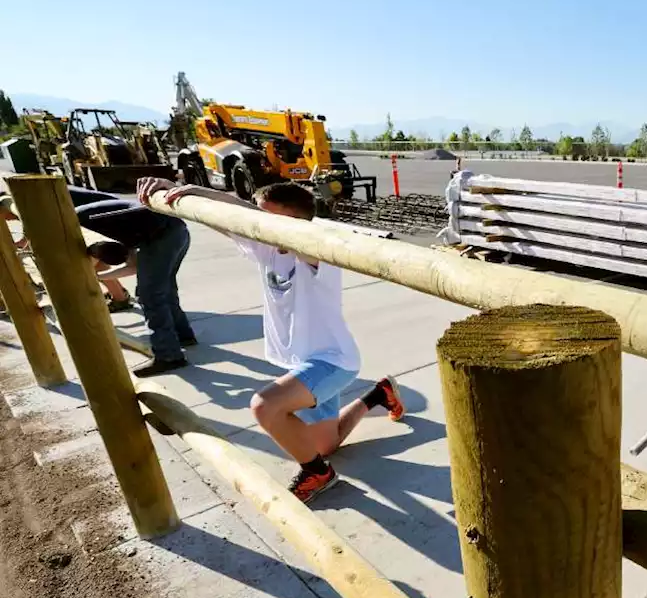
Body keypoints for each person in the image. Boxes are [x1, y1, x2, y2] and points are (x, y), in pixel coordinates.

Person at [137, 178, 405, 504]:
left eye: (266, 219)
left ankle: (318, 474)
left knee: (266, 407)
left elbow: (294, 235)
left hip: (333, 362)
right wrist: (186, 190)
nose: (256, 225)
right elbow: (229, 214)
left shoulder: (319, 254)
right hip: (303, 363)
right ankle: (378, 394)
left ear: (292, 222)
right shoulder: (265, 248)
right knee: (325, 446)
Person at [3, 184, 197, 376]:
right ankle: (183, 335)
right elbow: (130, 266)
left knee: (149, 294)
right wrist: (96, 277)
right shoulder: (102, 224)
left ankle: (169, 356)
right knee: (164, 288)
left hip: (164, 235)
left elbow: (130, 267)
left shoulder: (78, 226)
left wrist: (87, 278)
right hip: (176, 230)